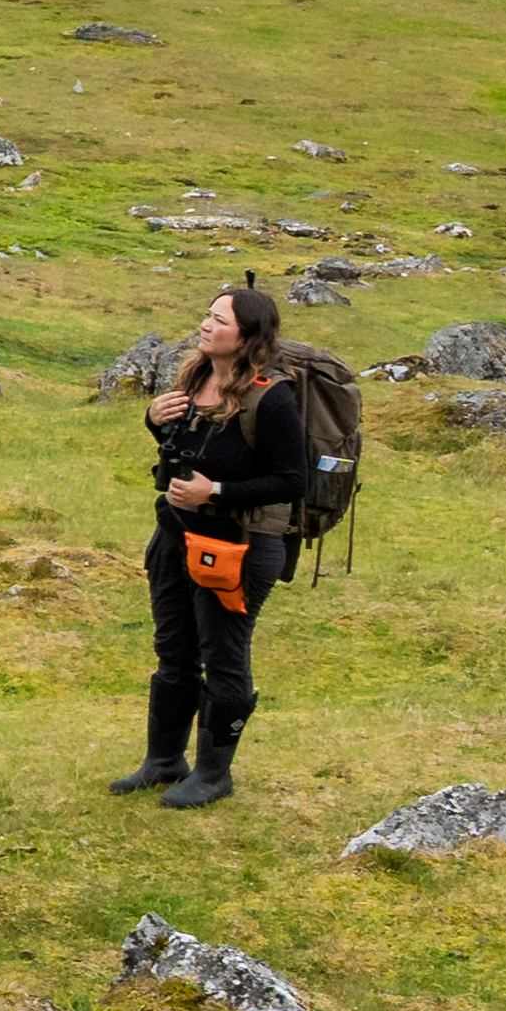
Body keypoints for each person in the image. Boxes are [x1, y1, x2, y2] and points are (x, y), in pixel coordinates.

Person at [132, 275, 317, 808]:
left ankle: (215, 774)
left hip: (240, 546)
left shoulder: (272, 398)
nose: (205, 325)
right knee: (174, 649)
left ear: (247, 336)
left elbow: (292, 480)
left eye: (219, 320)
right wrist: (154, 421)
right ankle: (164, 760)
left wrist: (217, 491)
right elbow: (185, 451)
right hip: (175, 536)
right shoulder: (194, 379)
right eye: (207, 315)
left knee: (224, 655)